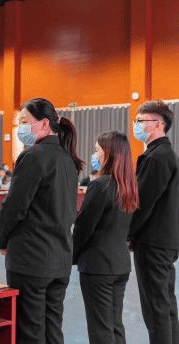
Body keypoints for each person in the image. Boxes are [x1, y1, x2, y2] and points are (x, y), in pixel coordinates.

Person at [0, 97, 83, 344]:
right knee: (53, 329)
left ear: (44, 123)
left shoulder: (34, 156)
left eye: (25, 121)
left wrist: (2, 240)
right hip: (60, 257)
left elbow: (14, 206)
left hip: (32, 258)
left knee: (30, 332)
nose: (20, 127)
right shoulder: (68, 159)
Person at [73, 131, 139, 344]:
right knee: (115, 325)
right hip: (120, 264)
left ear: (109, 154)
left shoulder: (100, 186)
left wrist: (71, 256)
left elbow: (84, 227)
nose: (95, 155)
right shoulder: (129, 187)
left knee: (100, 328)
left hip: (97, 266)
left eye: (97, 150)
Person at [128, 100, 179, 344]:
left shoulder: (157, 157)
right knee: (166, 305)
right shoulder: (165, 154)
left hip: (153, 242)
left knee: (156, 308)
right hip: (164, 241)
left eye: (140, 121)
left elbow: (143, 202)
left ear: (158, 124)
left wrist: (128, 233)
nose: (136, 125)